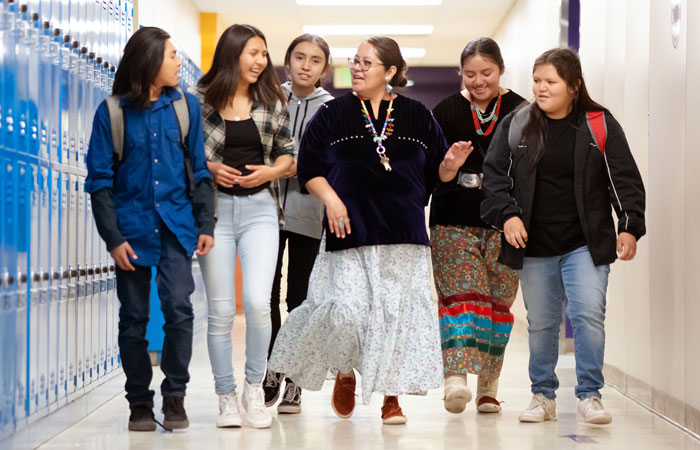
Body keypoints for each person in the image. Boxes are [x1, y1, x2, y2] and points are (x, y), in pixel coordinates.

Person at [268, 36, 472, 425]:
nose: (357, 68)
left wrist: (450, 163)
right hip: (349, 231)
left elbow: (437, 176)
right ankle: (345, 370)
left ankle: (391, 398)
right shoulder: (331, 114)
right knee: (345, 311)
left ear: (390, 72)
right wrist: (331, 199)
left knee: (393, 317)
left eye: (367, 63)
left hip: (403, 232)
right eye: (355, 61)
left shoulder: (416, 114)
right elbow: (309, 168)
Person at [480, 48, 646, 424]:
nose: (540, 88)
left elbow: (624, 178)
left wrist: (630, 225)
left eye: (550, 82)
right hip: (534, 245)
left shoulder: (598, 124)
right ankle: (543, 396)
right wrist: (507, 216)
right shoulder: (519, 123)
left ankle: (590, 395)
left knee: (588, 314)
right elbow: (494, 177)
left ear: (573, 86)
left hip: (585, 243)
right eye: (536, 80)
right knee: (541, 323)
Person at [86, 27, 215, 432]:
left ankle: (174, 395)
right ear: (150, 61)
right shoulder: (111, 113)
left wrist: (205, 222)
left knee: (179, 309)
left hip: (177, 227)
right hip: (131, 231)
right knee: (134, 318)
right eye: (172, 55)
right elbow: (100, 181)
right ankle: (139, 402)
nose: (179, 62)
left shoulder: (186, 108)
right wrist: (113, 238)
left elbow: (199, 170)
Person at [190, 24, 294, 429]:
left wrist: (269, 172)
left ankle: (254, 387)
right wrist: (208, 167)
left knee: (255, 302)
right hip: (214, 213)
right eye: (253, 52)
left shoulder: (271, 99)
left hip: (259, 211)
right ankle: (225, 397)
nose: (260, 61)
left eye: (264, 53)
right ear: (232, 53)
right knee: (219, 311)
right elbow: (185, 153)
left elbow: (289, 155)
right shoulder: (198, 100)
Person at [430, 37, 524, 414]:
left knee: (498, 306)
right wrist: (449, 167)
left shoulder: (521, 111)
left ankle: (488, 385)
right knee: (462, 300)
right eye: (469, 74)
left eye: (486, 73)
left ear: (501, 70)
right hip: (453, 220)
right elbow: (431, 174)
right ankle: (455, 379)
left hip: (506, 225)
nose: (478, 80)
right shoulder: (445, 111)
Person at [263, 34, 334, 415]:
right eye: (299, 57)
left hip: (310, 214)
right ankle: (273, 368)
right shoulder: (269, 98)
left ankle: (295, 382)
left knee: (301, 299)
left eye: (315, 60)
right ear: (287, 60)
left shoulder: (333, 109)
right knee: (266, 296)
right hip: (266, 211)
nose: (306, 65)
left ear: (325, 68)